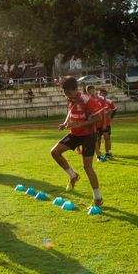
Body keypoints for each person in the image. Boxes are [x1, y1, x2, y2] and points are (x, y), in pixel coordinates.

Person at [50, 76, 104, 207]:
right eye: (65, 93)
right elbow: (70, 111)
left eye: (69, 93)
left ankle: (98, 198)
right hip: (75, 134)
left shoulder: (87, 100)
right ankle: (73, 176)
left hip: (88, 135)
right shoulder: (69, 99)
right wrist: (65, 123)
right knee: (54, 152)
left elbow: (98, 117)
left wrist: (79, 125)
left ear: (76, 90)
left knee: (87, 166)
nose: (67, 96)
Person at [96, 88, 117, 159]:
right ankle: (98, 153)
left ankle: (108, 152)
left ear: (105, 94)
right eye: (98, 93)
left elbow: (114, 109)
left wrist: (111, 118)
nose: (99, 94)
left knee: (107, 138)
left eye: (101, 93)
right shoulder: (95, 101)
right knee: (97, 139)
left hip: (106, 123)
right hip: (97, 124)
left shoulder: (109, 101)